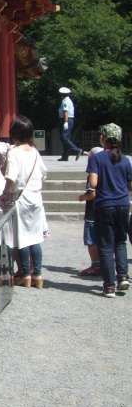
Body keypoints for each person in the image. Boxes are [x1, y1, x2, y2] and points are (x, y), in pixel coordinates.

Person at [1, 115, 48, 288]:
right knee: (35, 237)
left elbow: (11, 178)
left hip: (20, 199)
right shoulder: (35, 152)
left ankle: (25, 275)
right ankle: (38, 275)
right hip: (36, 198)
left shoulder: (14, 152)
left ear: (14, 133)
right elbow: (44, 173)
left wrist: (5, 193)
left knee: (21, 237)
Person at [86, 123, 132, 298]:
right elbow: (130, 185)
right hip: (123, 204)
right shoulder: (126, 159)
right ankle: (122, 277)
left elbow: (94, 183)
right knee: (120, 242)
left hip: (104, 205)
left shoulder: (97, 158)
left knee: (105, 246)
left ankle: (109, 286)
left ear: (103, 138)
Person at [78, 147, 104, 277]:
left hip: (92, 211)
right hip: (103, 210)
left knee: (90, 239)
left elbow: (92, 193)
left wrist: (82, 197)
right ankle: (104, 264)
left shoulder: (93, 174)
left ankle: (96, 265)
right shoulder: (106, 170)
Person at [57, 86, 84, 161]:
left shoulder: (65, 101)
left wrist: (65, 122)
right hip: (69, 120)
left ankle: (77, 150)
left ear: (62, 94)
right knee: (66, 138)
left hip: (66, 120)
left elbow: (66, 112)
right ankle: (65, 156)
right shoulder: (68, 100)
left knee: (64, 137)